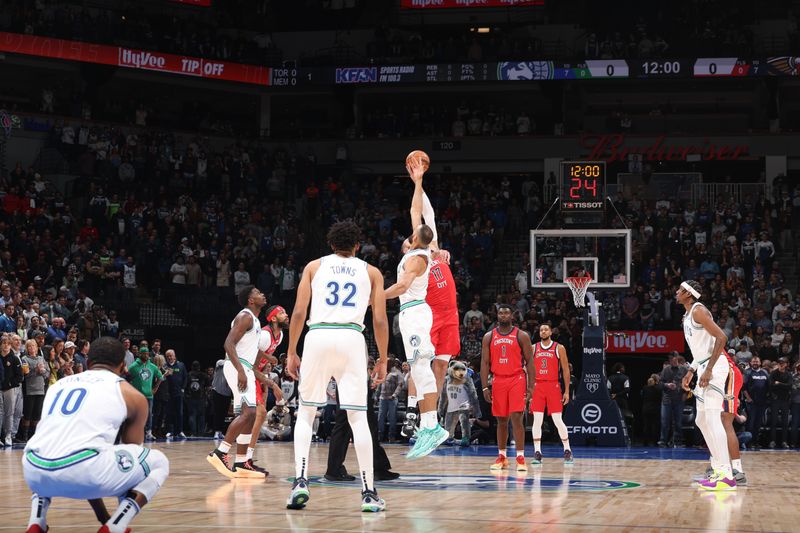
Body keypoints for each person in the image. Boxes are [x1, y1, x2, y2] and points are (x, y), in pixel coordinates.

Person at [285, 220, 389, 512]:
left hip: (317, 334)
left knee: (306, 412)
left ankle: (301, 482)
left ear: (331, 244)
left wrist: (292, 350)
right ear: (358, 245)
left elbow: (298, 312)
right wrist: (382, 357)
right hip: (351, 338)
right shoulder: (372, 272)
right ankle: (369, 493)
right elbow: (380, 321)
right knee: (358, 418)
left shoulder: (314, 267)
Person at [22, 337, 169, 533]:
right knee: (158, 462)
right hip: (86, 469)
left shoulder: (58, 385)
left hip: (34, 470)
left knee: (53, 448)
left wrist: (102, 516)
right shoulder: (132, 395)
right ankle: (117, 526)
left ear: (89, 363)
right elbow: (131, 457)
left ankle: (36, 520)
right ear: (123, 366)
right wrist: (110, 517)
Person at [385, 165, 448, 459]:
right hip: (412, 313)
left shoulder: (421, 255)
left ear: (413, 241)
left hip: (417, 311)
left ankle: (433, 426)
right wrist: (418, 181)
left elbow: (427, 216)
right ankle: (427, 426)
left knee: (422, 369)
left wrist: (375, 297)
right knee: (419, 369)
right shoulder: (416, 249)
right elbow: (416, 210)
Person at [401, 161, 459, 438]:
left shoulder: (433, 248)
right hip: (430, 313)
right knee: (422, 364)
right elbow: (416, 214)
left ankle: (430, 418)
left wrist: (418, 182)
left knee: (441, 366)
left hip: (451, 315)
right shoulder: (415, 258)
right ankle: (413, 412)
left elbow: (426, 212)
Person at [678, 280, 736, 490]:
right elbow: (700, 351)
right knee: (702, 420)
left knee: (712, 418)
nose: (676, 292)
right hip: (702, 365)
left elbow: (722, 337)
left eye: (680, 290)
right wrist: (691, 371)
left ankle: (726, 475)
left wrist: (709, 369)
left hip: (715, 366)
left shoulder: (699, 311)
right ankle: (719, 470)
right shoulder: (687, 315)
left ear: (688, 293)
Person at [206, 285, 269, 479]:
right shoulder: (246, 316)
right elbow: (228, 344)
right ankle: (220, 452)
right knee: (249, 412)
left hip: (244, 367)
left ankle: (242, 462)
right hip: (238, 366)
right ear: (251, 300)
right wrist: (241, 370)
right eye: (258, 293)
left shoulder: (255, 320)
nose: (263, 294)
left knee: (250, 415)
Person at [481, 303, 534, 471]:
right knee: (501, 420)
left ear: (512, 316)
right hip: (498, 380)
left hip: (517, 379)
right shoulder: (489, 336)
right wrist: (484, 387)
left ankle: (520, 458)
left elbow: (530, 362)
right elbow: (484, 362)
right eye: (500, 313)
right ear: (497, 316)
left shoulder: (522, 335)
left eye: (506, 313)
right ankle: (502, 457)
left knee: (517, 418)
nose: (503, 315)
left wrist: (531, 386)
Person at [244, 305, 288, 475]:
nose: (286, 315)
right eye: (282, 313)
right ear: (273, 318)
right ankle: (244, 458)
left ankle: (245, 457)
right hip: (246, 371)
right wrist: (273, 385)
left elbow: (261, 366)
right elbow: (252, 366)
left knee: (257, 415)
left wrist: (265, 386)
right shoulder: (264, 335)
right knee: (257, 414)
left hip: (256, 374)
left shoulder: (280, 335)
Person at [529, 323, 573, 464]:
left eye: (546, 329)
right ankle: (537, 452)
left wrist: (566, 391)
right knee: (537, 420)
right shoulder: (533, 348)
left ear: (551, 332)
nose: (543, 331)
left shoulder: (559, 348)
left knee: (558, 420)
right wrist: (528, 389)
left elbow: (566, 370)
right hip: (538, 386)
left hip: (553, 385)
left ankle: (567, 450)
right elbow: (527, 369)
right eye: (541, 329)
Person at [127, 347, 163, 441]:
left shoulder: (152, 366)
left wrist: (155, 388)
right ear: (140, 354)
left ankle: (149, 433)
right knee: (137, 414)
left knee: (149, 414)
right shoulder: (134, 366)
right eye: (144, 354)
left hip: (149, 395)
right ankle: (137, 432)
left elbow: (160, 377)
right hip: (137, 395)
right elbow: (126, 377)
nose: (146, 355)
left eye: (147, 354)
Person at [658, 352, 687, 447]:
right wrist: (667, 385)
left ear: (677, 358)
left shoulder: (684, 369)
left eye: (673, 358)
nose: (672, 360)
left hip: (679, 399)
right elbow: (660, 384)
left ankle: (678, 442)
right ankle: (663, 441)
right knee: (665, 421)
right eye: (670, 359)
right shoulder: (666, 370)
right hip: (667, 399)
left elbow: (689, 383)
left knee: (678, 422)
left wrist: (685, 393)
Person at [742, 356, 768, 448]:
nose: (755, 363)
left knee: (758, 423)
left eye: (757, 361)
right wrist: (748, 398)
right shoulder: (747, 372)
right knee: (751, 423)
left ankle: (755, 442)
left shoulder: (765, 373)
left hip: (762, 402)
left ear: (760, 363)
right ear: (750, 363)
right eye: (754, 362)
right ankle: (749, 442)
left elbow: (768, 386)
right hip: (751, 403)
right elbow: (743, 387)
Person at [768, 357, 792, 448]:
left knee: (785, 422)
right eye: (780, 363)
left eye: (783, 363)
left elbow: (789, 386)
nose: (781, 364)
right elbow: (771, 385)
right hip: (775, 400)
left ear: (786, 364)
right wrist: (781, 385)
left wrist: (779, 384)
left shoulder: (788, 374)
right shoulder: (773, 373)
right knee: (773, 421)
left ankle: (784, 441)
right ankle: (772, 441)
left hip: (785, 401)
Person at [164, 349, 188, 439]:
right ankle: (170, 431)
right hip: (168, 394)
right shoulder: (164, 366)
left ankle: (180, 431)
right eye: (168, 356)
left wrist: (183, 388)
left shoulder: (181, 365)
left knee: (179, 413)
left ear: (174, 356)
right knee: (169, 413)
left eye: (171, 355)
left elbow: (185, 377)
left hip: (178, 393)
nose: (170, 357)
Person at [186, 360, 209, 437]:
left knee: (192, 415)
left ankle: (193, 433)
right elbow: (208, 387)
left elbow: (185, 386)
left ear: (192, 367)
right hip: (201, 398)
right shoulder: (204, 375)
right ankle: (201, 433)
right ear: (199, 367)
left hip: (191, 398)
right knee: (201, 416)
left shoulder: (188, 375)